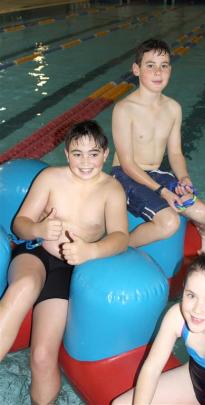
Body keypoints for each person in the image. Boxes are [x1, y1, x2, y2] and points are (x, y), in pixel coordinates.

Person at [0, 120, 129, 405]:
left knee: (43, 356)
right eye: (77, 153)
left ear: (105, 154)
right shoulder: (50, 178)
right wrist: (38, 229)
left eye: (93, 153)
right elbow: (20, 224)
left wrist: (90, 252)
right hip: (35, 253)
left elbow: (121, 237)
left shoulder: (111, 190)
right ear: (66, 154)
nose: (85, 162)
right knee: (24, 285)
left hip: (67, 270)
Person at [113, 254, 205, 405]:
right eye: (191, 295)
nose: (197, 310)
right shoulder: (176, 317)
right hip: (193, 379)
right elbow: (152, 367)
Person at [111, 38, 205, 254]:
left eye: (164, 66)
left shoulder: (173, 108)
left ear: (170, 70)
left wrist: (184, 177)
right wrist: (162, 191)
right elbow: (127, 164)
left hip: (155, 173)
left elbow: (175, 153)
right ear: (136, 70)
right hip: (125, 176)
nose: (158, 72)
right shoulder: (124, 109)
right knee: (169, 223)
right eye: (150, 65)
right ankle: (118, 248)